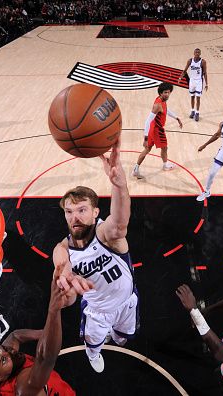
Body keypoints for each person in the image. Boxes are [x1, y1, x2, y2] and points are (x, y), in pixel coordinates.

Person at [53, 138, 138, 373]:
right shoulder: (64, 249)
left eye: (82, 210)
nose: (75, 217)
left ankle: (115, 333)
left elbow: (120, 224)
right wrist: (65, 276)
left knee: (123, 336)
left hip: (127, 300)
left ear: (95, 212)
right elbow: (61, 262)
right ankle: (94, 353)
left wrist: (120, 186)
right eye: (69, 212)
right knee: (93, 342)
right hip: (97, 311)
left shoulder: (106, 234)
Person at [0, 277, 91, 395]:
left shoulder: (8, 359)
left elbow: (15, 336)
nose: (9, 352)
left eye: (3, 348)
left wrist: (46, 333)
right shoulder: (23, 387)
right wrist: (54, 309)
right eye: (3, 360)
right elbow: (45, 358)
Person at [132, 82, 183, 179]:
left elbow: (166, 110)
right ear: (160, 93)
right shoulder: (157, 105)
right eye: (165, 92)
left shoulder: (162, 100)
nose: (167, 94)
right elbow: (148, 121)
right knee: (164, 148)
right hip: (157, 130)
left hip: (153, 128)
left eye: (168, 92)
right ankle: (165, 165)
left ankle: (136, 169)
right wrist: (145, 138)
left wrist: (177, 118)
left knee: (147, 149)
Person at [178, 48, 208, 121]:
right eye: (196, 52)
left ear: (200, 53)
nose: (197, 53)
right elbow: (185, 70)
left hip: (199, 81)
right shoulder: (190, 61)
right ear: (194, 53)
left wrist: (206, 83)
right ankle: (192, 111)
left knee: (198, 97)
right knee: (192, 97)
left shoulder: (203, 62)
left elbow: (205, 73)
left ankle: (197, 113)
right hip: (192, 81)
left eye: (198, 52)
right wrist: (180, 78)